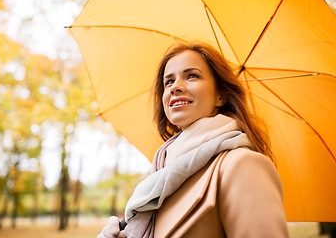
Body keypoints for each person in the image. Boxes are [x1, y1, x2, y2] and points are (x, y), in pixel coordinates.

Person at [97, 42, 289, 238]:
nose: (175, 87)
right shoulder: (160, 177)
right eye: (168, 82)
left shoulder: (243, 165)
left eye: (192, 76)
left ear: (220, 96)